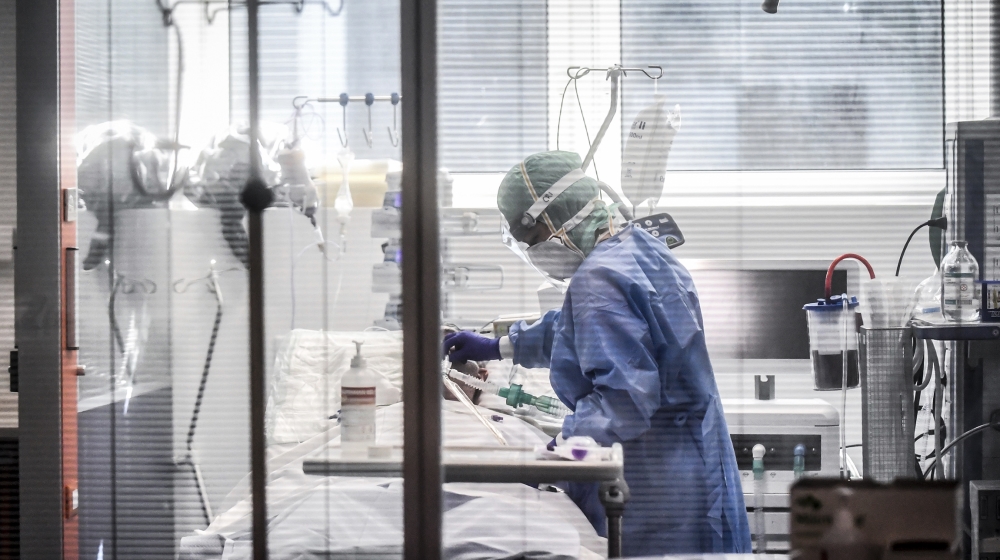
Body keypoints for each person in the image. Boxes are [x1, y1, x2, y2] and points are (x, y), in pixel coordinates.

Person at [442, 151, 751, 557]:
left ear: (554, 219)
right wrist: (499, 345)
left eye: (533, 241)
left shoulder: (597, 281)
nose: (537, 252)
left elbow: (622, 400)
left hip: (649, 482)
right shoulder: (641, 249)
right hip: (693, 456)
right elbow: (579, 329)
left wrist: (563, 450)